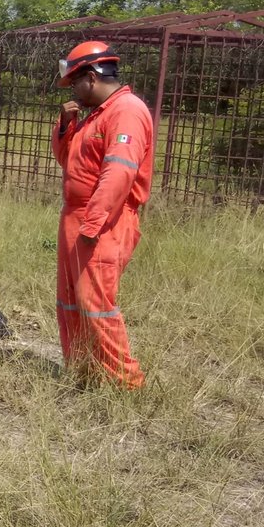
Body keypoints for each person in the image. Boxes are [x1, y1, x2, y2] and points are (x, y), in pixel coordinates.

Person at [52, 39, 155, 389]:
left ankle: (126, 385)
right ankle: (83, 373)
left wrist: (93, 224)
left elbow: (119, 172)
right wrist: (66, 125)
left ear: (91, 77)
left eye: (75, 84)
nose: (74, 92)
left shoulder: (127, 111)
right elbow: (68, 161)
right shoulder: (94, 115)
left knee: (95, 303)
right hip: (77, 217)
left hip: (105, 222)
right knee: (71, 300)